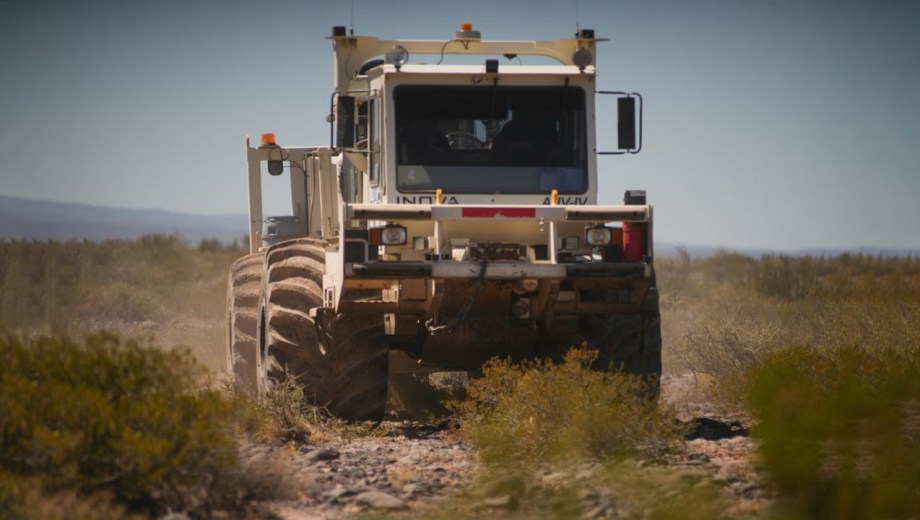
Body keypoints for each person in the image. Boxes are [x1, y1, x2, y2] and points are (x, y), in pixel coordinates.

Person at [491, 111, 559, 166]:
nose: (538, 113)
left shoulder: (551, 133)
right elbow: (498, 150)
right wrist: (514, 145)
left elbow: (557, 156)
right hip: (511, 174)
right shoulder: (511, 128)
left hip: (545, 175)